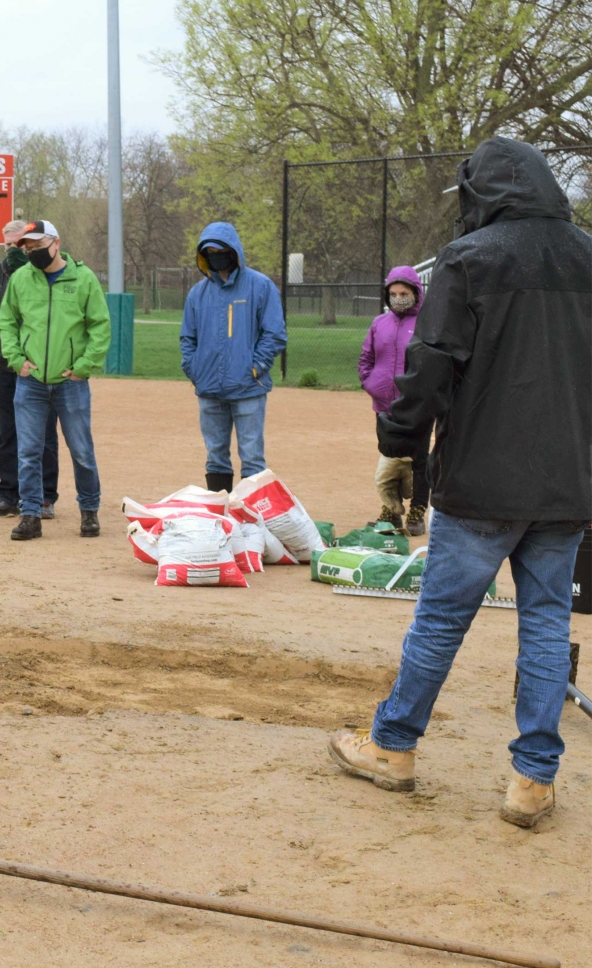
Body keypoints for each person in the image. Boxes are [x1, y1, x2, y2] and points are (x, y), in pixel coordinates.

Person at [329, 137, 592, 829]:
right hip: (567, 483)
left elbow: (432, 361)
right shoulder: (587, 255)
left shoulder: (470, 258)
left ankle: (392, 748)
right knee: (544, 625)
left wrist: (400, 443)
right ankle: (532, 781)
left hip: (481, 479)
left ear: (482, 193)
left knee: (442, 619)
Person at [0, 220, 110, 541]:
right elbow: (7, 322)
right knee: (29, 451)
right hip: (31, 382)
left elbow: (100, 326)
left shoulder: (83, 278)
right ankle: (31, 514)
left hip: (70, 382)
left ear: (56, 243)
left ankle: (89, 512)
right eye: (28, 248)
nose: (33, 253)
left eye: (38, 246)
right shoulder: (21, 279)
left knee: (81, 450)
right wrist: (16, 359)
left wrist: (84, 366)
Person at [179, 223, 286, 492]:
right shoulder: (197, 294)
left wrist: (256, 367)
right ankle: (220, 518)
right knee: (215, 457)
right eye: (209, 252)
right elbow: (187, 339)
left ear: (233, 251)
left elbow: (274, 333)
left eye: (220, 250)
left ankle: (252, 520)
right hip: (209, 390)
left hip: (248, 388)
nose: (215, 256)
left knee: (252, 458)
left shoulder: (261, 286)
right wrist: (195, 369)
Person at [0, 220, 59, 520]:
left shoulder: (40, 275)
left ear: (27, 246)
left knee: (43, 434)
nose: (13, 250)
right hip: (5, 368)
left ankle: (45, 497)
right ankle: (8, 494)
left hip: (37, 369)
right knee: (7, 433)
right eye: (8, 245)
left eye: (18, 245)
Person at [359, 265, 428, 535]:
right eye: (394, 293)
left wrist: (423, 393)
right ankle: (391, 510)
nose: (399, 298)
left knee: (418, 459)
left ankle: (418, 512)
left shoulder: (425, 323)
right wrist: (371, 383)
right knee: (390, 455)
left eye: (404, 292)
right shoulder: (380, 323)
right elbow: (366, 358)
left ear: (416, 293)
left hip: (417, 405)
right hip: (384, 404)